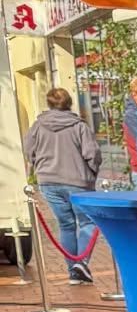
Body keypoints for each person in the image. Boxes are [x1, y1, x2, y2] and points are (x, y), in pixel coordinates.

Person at [23, 87, 101, 284]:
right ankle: (81, 263)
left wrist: (39, 166)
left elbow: (29, 150)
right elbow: (92, 154)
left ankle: (73, 271)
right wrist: (91, 174)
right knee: (87, 222)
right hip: (77, 181)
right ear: (69, 103)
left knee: (66, 225)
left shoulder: (38, 126)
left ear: (49, 103)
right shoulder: (79, 126)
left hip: (48, 181)